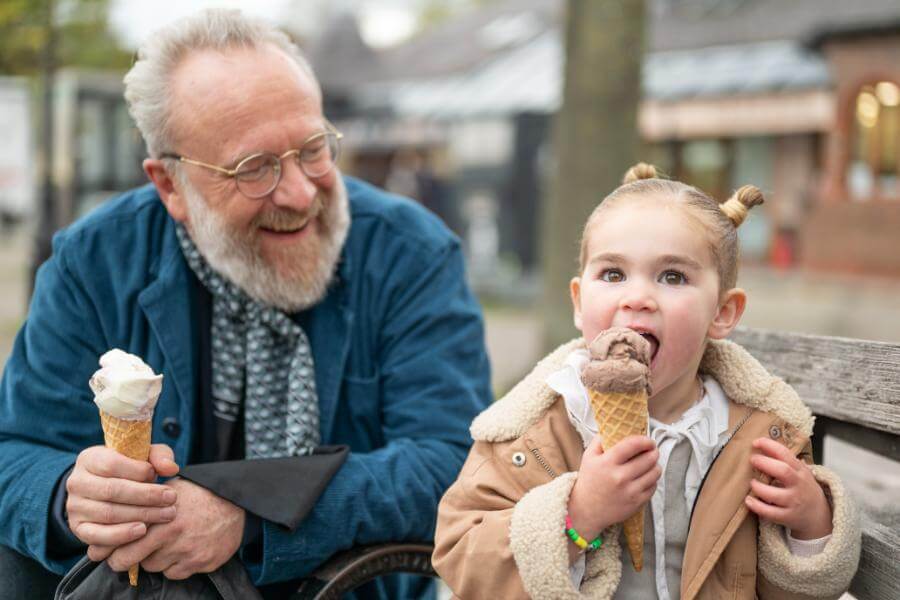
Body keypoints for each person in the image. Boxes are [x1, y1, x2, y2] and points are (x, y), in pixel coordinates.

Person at [0, 9, 491, 599]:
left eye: (313, 149)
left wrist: (251, 516)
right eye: (254, 168)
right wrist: (66, 494)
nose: (302, 192)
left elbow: (452, 463)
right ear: (170, 186)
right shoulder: (96, 260)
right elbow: (14, 452)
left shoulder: (409, 252)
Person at [432, 163, 861, 599]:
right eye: (613, 274)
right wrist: (577, 516)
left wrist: (810, 528)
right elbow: (461, 558)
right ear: (579, 303)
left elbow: (789, 593)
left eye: (672, 276)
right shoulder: (533, 429)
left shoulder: (758, 437)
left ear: (723, 312)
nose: (636, 298)